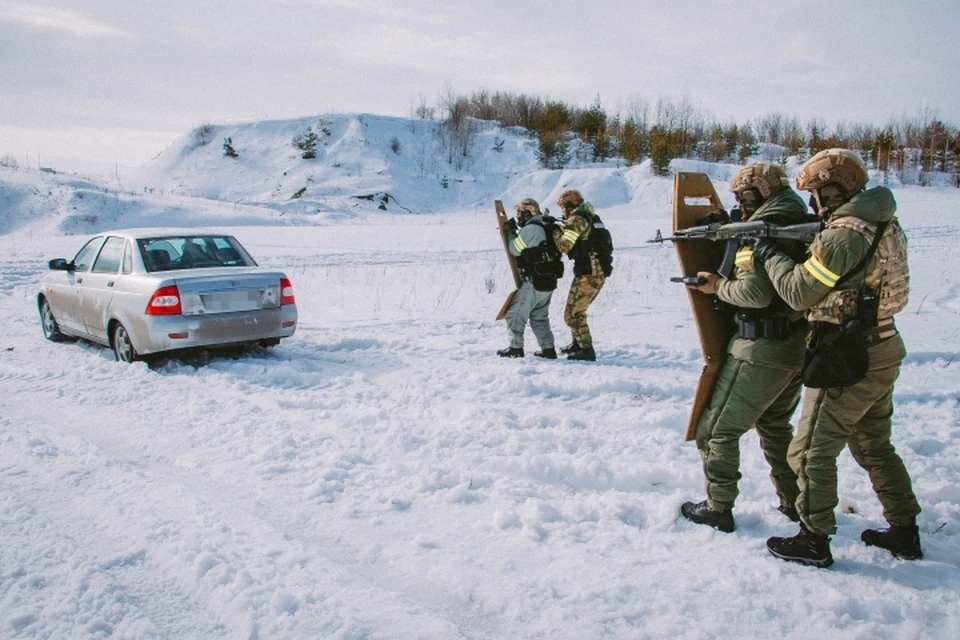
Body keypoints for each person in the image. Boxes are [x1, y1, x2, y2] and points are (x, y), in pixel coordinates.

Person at [756, 148, 921, 568]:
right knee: (873, 444)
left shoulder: (844, 234)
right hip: (882, 346)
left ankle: (814, 540)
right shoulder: (882, 218)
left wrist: (769, 254)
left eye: (817, 192)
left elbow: (797, 293)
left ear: (836, 189)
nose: (814, 201)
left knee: (809, 451)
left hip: (848, 356)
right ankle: (904, 530)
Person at [679, 162, 809, 533]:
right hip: (794, 345)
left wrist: (717, 287)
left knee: (716, 428)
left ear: (759, 193)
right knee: (773, 424)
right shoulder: (797, 223)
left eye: (742, 196)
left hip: (761, 347)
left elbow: (754, 292)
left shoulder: (760, 233)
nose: (739, 203)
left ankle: (718, 506)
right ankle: (796, 501)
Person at [552, 189, 613, 361]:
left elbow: (564, 246)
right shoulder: (591, 217)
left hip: (590, 271)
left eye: (563, 207)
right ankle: (578, 343)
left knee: (573, 314)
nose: (562, 211)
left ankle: (586, 350)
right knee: (577, 309)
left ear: (569, 205)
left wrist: (555, 230)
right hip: (594, 269)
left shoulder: (577, 219)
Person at [497, 198, 559, 359]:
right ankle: (548, 349)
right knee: (539, 317)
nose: (518, 217)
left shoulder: (531, 229)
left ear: (528, 213)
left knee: (515, 314)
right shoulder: (546, 226)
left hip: (534, 281)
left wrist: (511, 234)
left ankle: (515, 348)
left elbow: (515, 249)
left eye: (520, 213)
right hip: (549, 281)